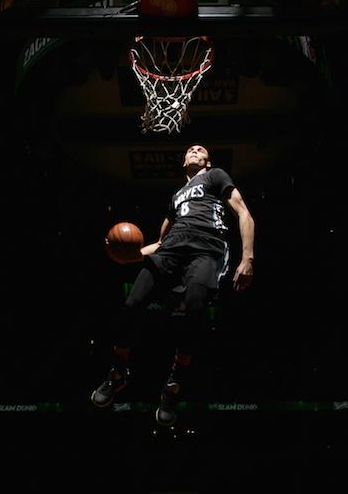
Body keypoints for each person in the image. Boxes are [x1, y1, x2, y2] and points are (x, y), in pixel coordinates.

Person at [91, 143, 255, 425]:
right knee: (132, 303)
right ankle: (118, 372)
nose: (194, 149)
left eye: (200, 149)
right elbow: (160, 243)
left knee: (194, 309)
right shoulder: (177, 196)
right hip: (172, 250)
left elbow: (243, 213)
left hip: (207, 248)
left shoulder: (215, 176)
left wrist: (248, 257)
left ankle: (175, 381)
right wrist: (130, 255)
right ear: (183, 163)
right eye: (190, 149)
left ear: (207, 161)